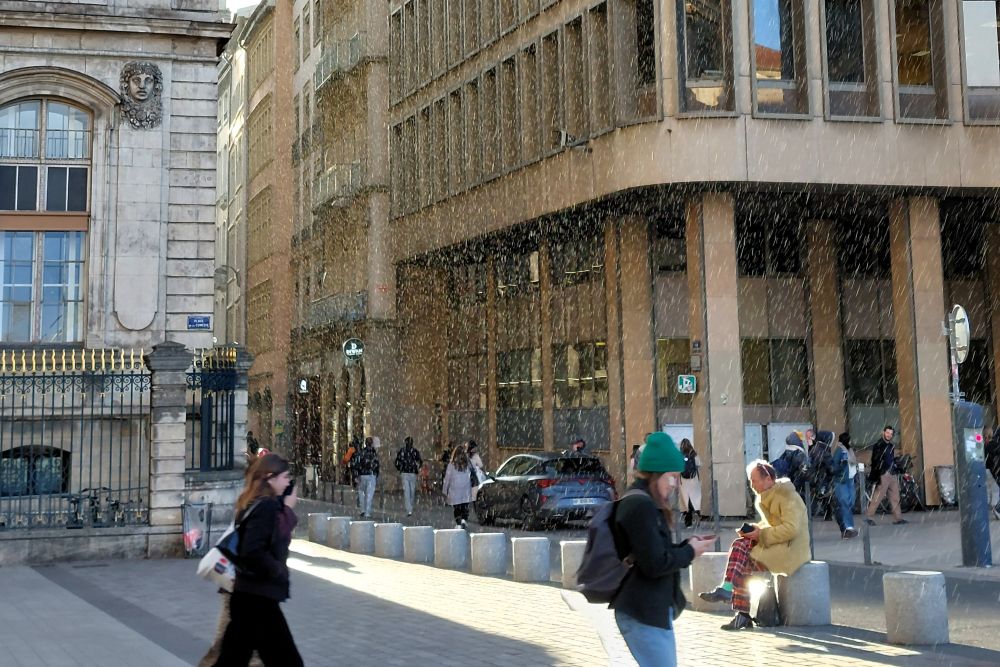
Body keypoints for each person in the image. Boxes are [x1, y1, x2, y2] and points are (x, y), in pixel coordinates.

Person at [610, 432, 715, 666]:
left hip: (649, 610)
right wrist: (690, 553)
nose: (676, 484)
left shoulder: (645, 502)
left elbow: (654, 552)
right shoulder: (640, 506)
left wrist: (687, 546)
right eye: (672, 477)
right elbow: (655, 564)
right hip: (642, 612)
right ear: (656, 474)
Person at [211, 453, 303, 666]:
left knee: (231, 660)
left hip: (248, 596)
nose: (288, 482)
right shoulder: (266, 507)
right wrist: (276, 570)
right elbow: (253, 550)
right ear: (270, 478)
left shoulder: (254, 503)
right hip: (258, 600)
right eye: (285, 477)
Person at [698, 460, 811, 631]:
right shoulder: (766, 496)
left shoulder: (787, 496)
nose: (751, 484)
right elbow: (771, 523)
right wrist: (756, 529)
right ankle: (738, 610)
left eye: (754, 480)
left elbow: (791, 529)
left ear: (768, 479)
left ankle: (732, 596)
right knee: (741, 550)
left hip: (791, 550)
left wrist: (760, 534)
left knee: (741, 552)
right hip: (778, 545)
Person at [864, 426, 906, 526]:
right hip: (884, 473)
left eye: (891, 434)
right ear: (883, 432)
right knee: (878, 496)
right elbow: (875, 460)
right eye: (887, 433)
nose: (889, 435)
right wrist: (879, 472)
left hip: (891, 472)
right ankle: (869, 517)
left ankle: (898, 518)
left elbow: (887, 459)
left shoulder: (891, 446)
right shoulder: (878, 445)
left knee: (895, 496)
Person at [831, 433, 859, 539]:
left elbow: (852, 464)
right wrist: (842, 465)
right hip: (842, 481)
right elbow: (834, 465)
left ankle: (847, 526)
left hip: (850, 479)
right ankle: (848, 527)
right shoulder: (839, 450)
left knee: (851, 502)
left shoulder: (849, 450)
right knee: (845, 503)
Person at [443, 444, 473, 528]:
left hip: (455, 487)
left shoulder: (451, 465)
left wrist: (445, 490)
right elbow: (471, 474)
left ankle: (458, 522)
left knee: (456, 506)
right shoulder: (467, 464)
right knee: (464, 505)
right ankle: (464, 519)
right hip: (465, 487)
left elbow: (447, 478)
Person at [394, 436, 423, 517]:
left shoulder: (403, 451)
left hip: (405, 472)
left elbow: (397, 461)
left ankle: (409, 508)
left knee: (407, 490)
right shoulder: (414, 451)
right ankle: (409, 507)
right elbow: (420, 461)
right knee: (411, 490)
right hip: (411, 472)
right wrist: (417, 467)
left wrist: (400, 468)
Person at [353, 437, 380, 518]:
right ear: (371, 443)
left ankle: (362, 510)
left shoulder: (361, 452)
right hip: (371, 475)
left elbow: (356, 464)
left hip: (362, 475)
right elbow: (377, 464)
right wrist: (376, 474)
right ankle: (367, 512)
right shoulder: (374, 453)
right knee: (369, 494)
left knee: (361, 493)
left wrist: (356, 475)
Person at [678, 438, 701, 528]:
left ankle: (688, 521)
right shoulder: (694, 455)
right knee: (695, 499)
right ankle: (697, 514)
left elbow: (678, 467)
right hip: (694, 480)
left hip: (683, 481)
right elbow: (699, 464)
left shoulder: (680, 456)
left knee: (685, 500)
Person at [985, 426, 1000, 520]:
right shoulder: (994, 444)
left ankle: (997, 508)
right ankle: (998, 509)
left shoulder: (989, 444)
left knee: (993, 490)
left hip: (991, 469)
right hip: (995, 469)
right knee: (995, 490)